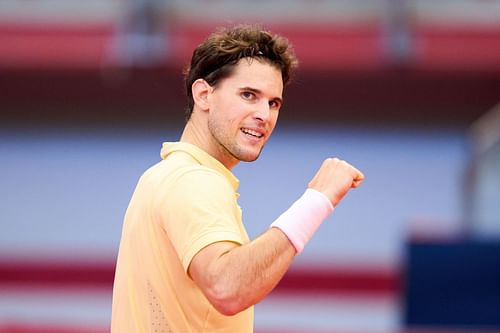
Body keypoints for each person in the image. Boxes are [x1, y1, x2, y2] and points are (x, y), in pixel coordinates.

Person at [111, 24, 364, 333]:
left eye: (273, 103)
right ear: (204, 94)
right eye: (248, 95)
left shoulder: (163, 176)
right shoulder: (194, 180)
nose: (265, 115)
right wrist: (317, 199)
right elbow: (227, 288)